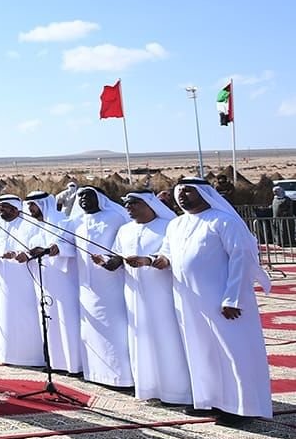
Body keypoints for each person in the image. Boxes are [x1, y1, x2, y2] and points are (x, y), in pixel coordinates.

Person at [151, 178, 272, 418]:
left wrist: (233, 299)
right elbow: (167, 253)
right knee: (201, 352)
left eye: (188, 191)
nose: (182, 195)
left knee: (233, 353)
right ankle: (209, 400)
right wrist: (157, 260)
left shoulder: (224, 221)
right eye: (179, 191)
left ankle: (242, 408)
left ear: (204, 193)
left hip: (224, 302)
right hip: (189, 302)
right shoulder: (176, 225)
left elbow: (242, 259)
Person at [106, 192, 191, 404]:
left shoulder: (168, 226)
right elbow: (117, 256)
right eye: (127, 204)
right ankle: (148, 388)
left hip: (164, 295)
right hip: (134, 296)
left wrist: (148, 260)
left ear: (150, 205)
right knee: (141, 340)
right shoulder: (125, 230)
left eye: (134, 203)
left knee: (168, 339)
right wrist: (107, 262)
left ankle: (177, 392)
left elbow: (172, 257)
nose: (129, 207)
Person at [71, 188, 133, 388]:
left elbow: (123, 247)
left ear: (100, 198)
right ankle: (95, 373)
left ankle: (121, 378)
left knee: (114, 327)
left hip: (111, 282)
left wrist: (110, 260)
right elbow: (66, 246)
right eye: (80, 196)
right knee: (91, 330)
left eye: (88, 195)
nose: (83, 199)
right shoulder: (76, 221)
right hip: (86, 285)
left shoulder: (115, 218)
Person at [22, 191, 85, 375]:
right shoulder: (34, 227)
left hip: (63, 281)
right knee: (49, 320)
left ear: (43, 204)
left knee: (67, 320)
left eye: (33, 205)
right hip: (44, 279)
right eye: (29, 205)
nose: (30, 209)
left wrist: (51, 250)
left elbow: (69, 247)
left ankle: (73, 365)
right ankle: (55, 362)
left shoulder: (63, 222)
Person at [0, 196, 45, 368]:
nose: (0, 210)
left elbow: (38, 247)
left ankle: (30, 357)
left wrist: (20, 254)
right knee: (5, 314)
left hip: (25, 279)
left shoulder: (30, 225)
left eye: (4, 207)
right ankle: (8, 354)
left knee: (26, 316)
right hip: (3, 278)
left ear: (15, 209)